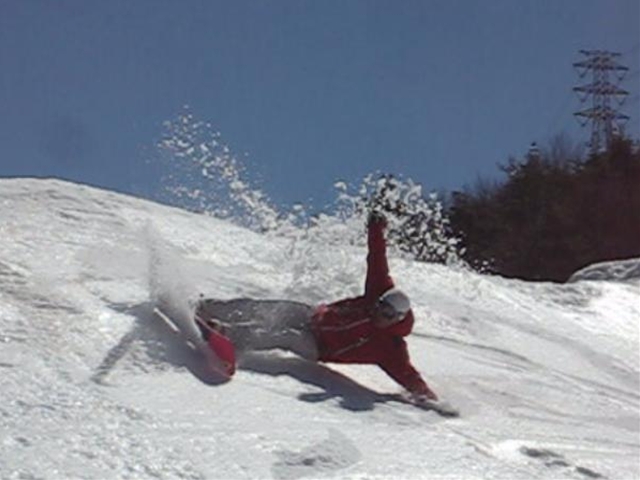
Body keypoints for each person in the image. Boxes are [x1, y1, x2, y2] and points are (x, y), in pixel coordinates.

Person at [195, 212, 438, 401]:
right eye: (379, 306)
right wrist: (376, 227)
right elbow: (377, 257)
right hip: (315, 316)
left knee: (287, 336)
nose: (378, 313)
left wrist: (432, 400)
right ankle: (206, 306)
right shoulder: (379, 291)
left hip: (319, 346)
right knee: (266, 308)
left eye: (386, 314)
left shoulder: (391, 350)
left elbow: (409, 376)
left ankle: (227, 334)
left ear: (397, 318)